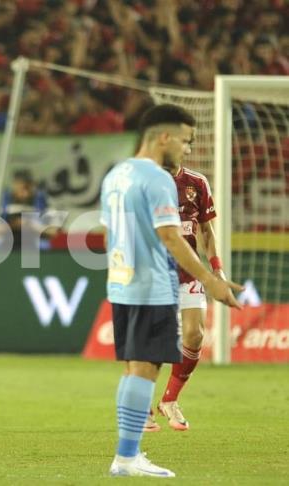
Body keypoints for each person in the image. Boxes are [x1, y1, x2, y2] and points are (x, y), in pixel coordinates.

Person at [100, 104, 242, 477]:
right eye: (184, 140)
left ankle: (127, 455)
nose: (187, 148)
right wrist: (212, 280)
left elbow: (110, 231)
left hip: (122, 281)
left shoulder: (117, 174)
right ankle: (127, 458)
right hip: (152, 283)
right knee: (145, 369)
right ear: (163, 137)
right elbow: (169, 236)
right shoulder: (158, 179)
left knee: (135, 368)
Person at [143, 163, 222, 432]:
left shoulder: (196, 182)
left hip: (189, 272)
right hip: (156, 272)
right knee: (155, 341)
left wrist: (217, 269)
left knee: (195, 333)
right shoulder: (147, 182)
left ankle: (170, 400)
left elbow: (207, 232)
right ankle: (142, 406)